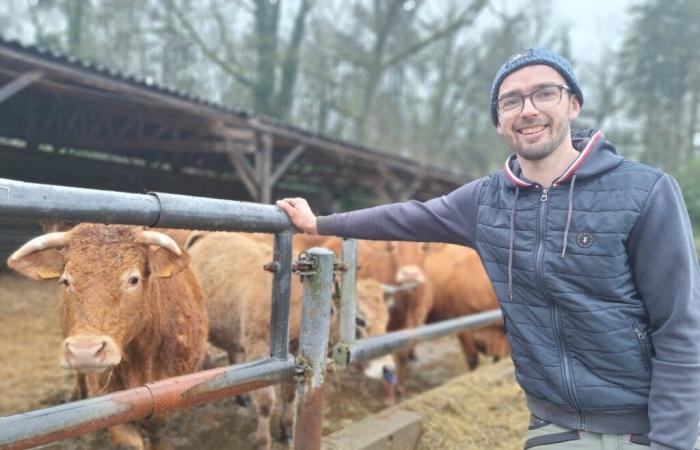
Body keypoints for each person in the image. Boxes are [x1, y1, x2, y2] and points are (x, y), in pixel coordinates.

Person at [276, 48, 700, 450]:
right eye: (510, 100)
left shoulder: (644, 192)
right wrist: (321, 224)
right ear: (499, 122)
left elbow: (679, 325)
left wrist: (672, 441)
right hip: (553, 428)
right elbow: (405, 217)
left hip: (644, 427)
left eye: (544, 92)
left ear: (574, 104)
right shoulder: (485, 201)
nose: (528, 109)